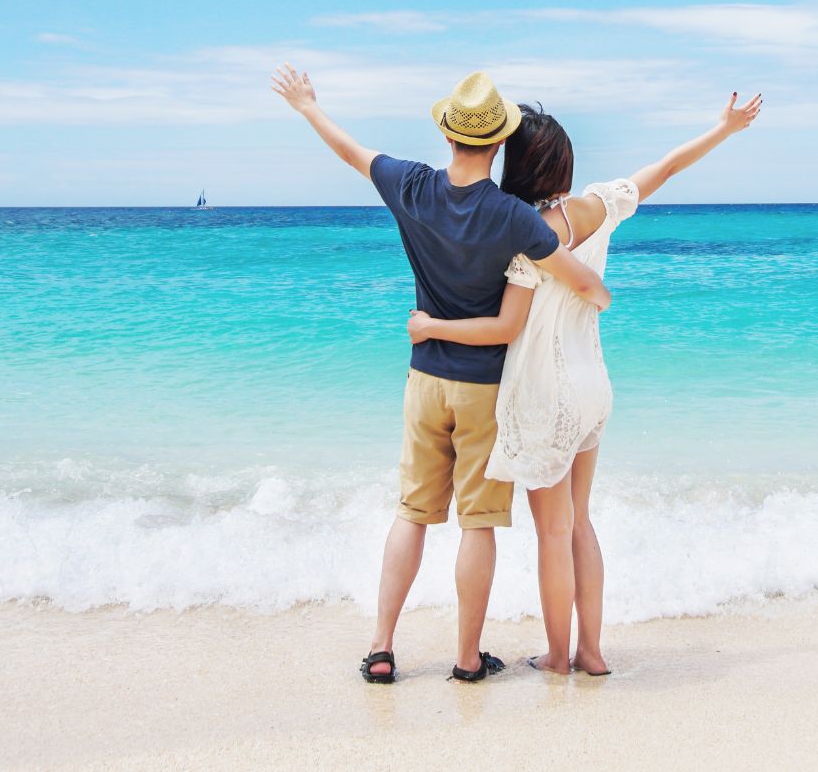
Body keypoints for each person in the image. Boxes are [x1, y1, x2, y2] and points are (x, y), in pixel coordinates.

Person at [269, 64, 612, 684]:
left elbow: (351, 152)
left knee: (412, 514)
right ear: (498, 142)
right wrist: (592, 298)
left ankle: (380, 649)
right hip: (484, 388)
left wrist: (308, 107)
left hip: (424, 380)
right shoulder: (515, 217)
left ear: (448, 133)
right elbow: (584, 282)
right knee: (477, 524)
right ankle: (466, 659)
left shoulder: (411, 186)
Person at [408, 91, 763, 675]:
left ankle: (557, 656)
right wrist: (723, 129)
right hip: (592, 383)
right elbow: (666, 167)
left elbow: (504, 325)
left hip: (544, 394)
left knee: (553, 532)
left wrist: (431, 327)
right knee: (579, 521)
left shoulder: (525, 237)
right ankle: (591, 652)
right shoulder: (600, 204)